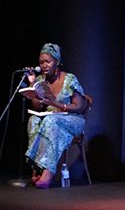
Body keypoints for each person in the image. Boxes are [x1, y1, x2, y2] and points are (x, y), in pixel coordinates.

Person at [24, 43, 87, 188]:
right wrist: (32, 84)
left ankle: (48, 174)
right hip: (52, 118)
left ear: (57, 62)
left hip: (72, 119)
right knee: (33, 120)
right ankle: (37, 169)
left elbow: (79, 106)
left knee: (51, 121)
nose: (44, 65)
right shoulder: (41, 80)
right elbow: (37, 107)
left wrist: (57, 105)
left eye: (48, 61)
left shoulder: (69, 79)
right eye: (41, 62)